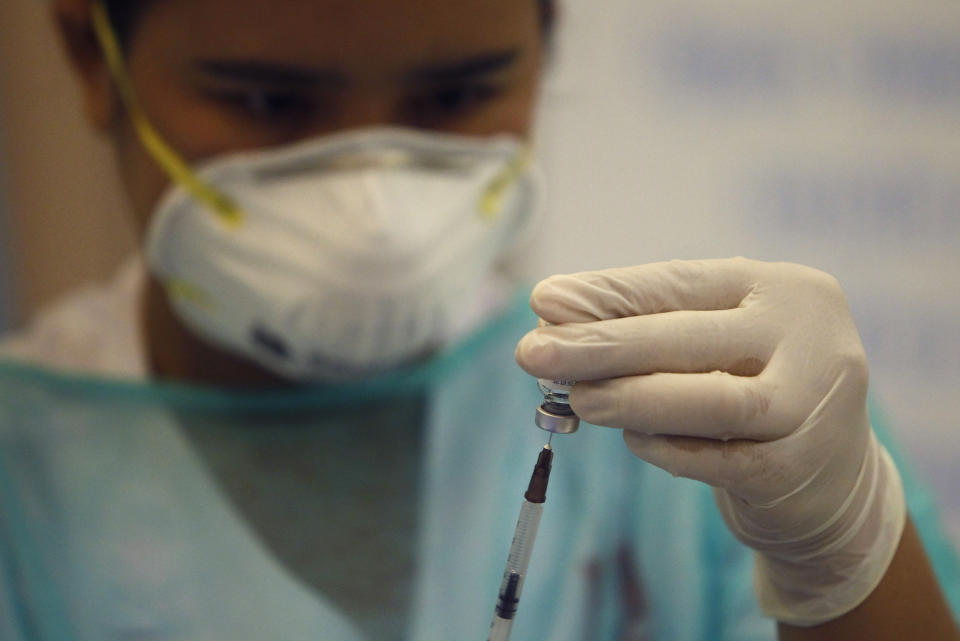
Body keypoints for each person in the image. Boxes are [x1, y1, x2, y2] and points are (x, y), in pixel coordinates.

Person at [0, 0, 957, 639]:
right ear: (92, 52)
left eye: (454, 95)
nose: (369, 216)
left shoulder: (730, 432)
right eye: (269, 100)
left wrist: (844, 551)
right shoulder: (27, 481)